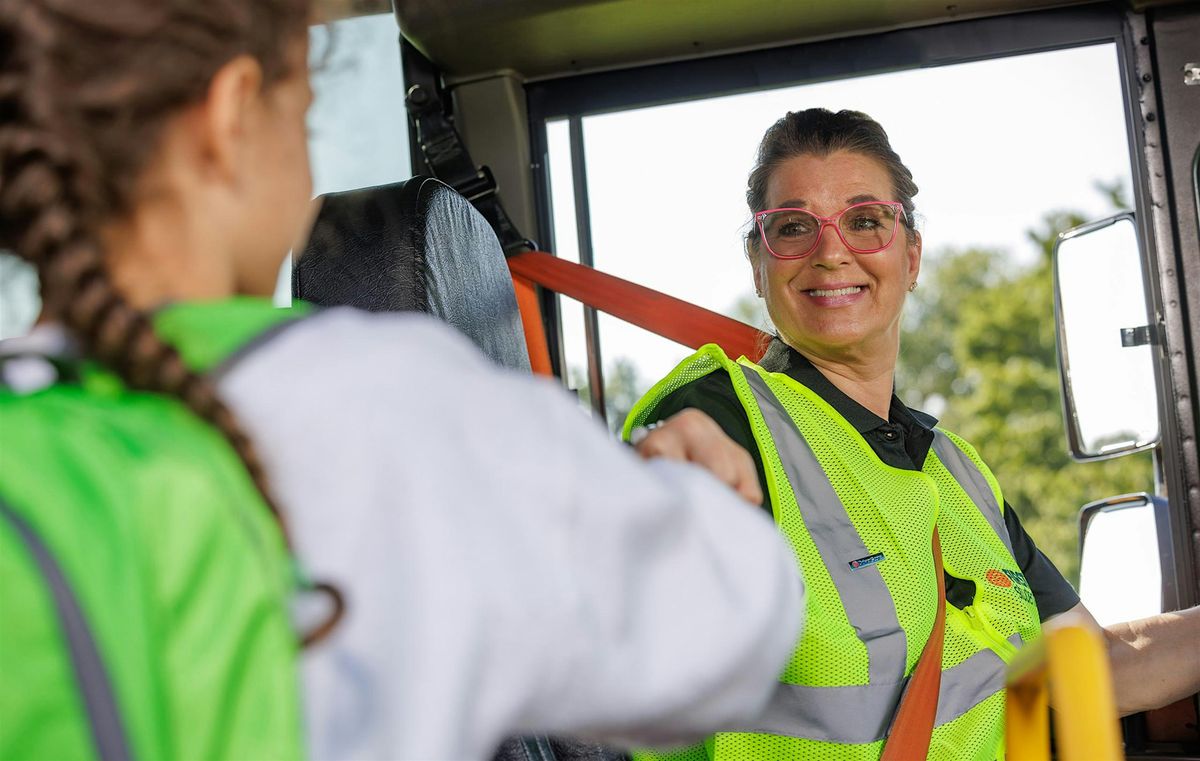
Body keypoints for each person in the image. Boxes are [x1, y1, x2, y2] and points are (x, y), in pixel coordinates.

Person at [0, 2, 805, 759]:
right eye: (303, 115)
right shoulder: (383, 404)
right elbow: (731, 628)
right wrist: (698, 490)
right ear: (232, 115)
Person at [628, 108, 1200, 760]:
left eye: (865, 221)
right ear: (760, 266)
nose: (831, 250)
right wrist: (651, 473)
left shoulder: (959, 472)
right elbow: (646, 496)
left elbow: (1088, 664)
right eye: (792, 228)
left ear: (913, 254)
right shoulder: (726, 413)